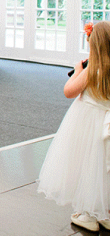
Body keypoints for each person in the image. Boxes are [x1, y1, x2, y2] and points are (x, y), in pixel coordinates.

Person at [37, 21, 110, 232]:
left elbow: (69, 91)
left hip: (88, 124)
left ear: (92, 44)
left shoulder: (91, 70)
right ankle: (105, 212)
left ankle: (88, 215)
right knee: (104, 168)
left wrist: (78, 70)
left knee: (88, 165)